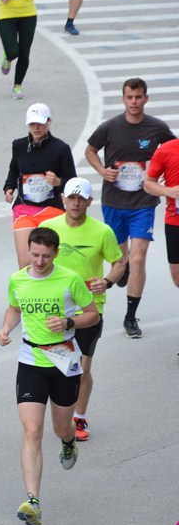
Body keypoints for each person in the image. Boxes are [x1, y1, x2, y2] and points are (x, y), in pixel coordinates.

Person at [0, 226, 99, 525]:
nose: (39, 261)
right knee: (32, 432)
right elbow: (14, 308)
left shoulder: (69, 279)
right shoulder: (18, 279)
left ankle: (69, 440)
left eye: (45, 256)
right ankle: (33, 501)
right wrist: (6, 329)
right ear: (28, 251)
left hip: (64, 359)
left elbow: (92, 314)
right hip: (30, 359)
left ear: (56, 252)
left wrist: (69, 321)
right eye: (34, 255)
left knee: (59, 428)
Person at [83, 78, 176, 339]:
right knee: (121, 259)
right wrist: (101, 170)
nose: (134, 102)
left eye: (138, 97)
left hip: (143, 203)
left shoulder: (157, 128)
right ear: (123, 99)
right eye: (129, 97)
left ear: (146, 98)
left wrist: (167, 179)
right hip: (114, 202)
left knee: (137, 258)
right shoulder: (110, 127)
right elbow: (90, 150)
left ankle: (130, 316)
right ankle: (121, 272)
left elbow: (173, 151)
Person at [42, 178, 125, 441]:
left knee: (83, 367)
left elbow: (119, 262)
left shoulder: (102, 232)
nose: (76, 203)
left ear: (90, 201)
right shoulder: (48, 227)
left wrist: (108, 281)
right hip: (53, 310)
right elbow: (36, 262)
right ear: (63, 199)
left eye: (81, 198)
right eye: (71, 198)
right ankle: (61, 413)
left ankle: (79, 416)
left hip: (88, 310)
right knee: (57, 365)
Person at [4, 103, 76, 268]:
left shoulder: (61, 148)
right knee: (25, 264)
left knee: (50, 261)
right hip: (24, 208)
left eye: (40, 123)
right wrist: (9, 188)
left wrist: (58, 182)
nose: (36, 127)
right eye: (32, 124)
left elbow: (72, 181)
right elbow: (14, 170)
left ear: (49, 122)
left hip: (51, 209)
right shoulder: (19, 145)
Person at [144, 139, 179, 311]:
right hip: (175, 221)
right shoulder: (166, 150)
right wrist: (168, 191)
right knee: (177, 278)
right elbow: (148, 183)